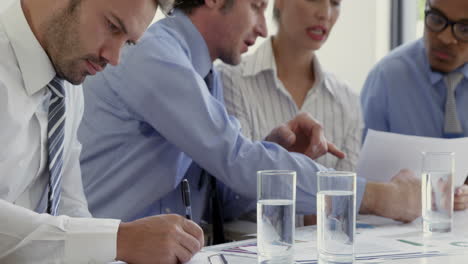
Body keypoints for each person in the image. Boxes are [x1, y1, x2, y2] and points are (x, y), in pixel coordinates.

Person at [78, 0, 421, 234]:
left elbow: (223, 198)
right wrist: (377, 197)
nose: (261, 28)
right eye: (256, 6)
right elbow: (237, 160)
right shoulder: (156, 57)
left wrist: (275, 157)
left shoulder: (205, 76)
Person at [0, 0, 204, 263]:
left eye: (128, 42)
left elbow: (70, 208)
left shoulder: (66, 83)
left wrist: (112, 249)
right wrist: (120, 239)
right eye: (112, 26)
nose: (115, 58)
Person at [217, 0, 360, 225]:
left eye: (336, 3)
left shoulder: (348, 101)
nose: (325, 13)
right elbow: (229, 197)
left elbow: (344, 209)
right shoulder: (230, 79)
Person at [361, 0, 468, 211]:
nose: (445, 38)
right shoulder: (387, 78)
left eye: (464, 29)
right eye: (437, 19)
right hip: (398, 228)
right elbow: (362, 177)